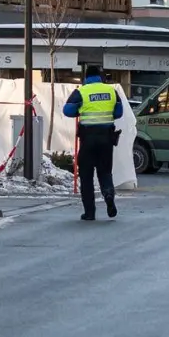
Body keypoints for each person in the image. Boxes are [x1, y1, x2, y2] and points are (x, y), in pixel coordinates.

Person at [63, 66, 123, 221]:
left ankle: (89, 212)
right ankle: (108, 194)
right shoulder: (111, 91)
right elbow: (118, 112)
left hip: (88, 138)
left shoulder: (81, 91)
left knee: (86, 175)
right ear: (100, 77)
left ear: (86, 77)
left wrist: (79, 110)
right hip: (106, 138)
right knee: (105, 171)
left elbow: (67, 110)